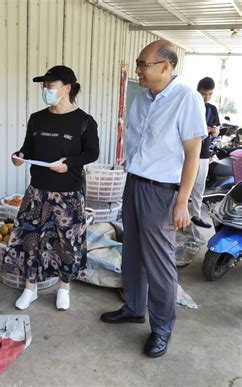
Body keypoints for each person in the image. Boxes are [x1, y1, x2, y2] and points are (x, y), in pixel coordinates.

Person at [100, 40, 206, 358]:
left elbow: (193, 154)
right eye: (138, 64)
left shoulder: (186, 99)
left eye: (143, 65)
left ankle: (162, 328)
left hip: (162, 191)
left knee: (159, 263)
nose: (138, 71)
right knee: (132, 251)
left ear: (165, 67)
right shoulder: (143, 99)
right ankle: (133, 307)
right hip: (134, 183)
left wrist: (182, 201)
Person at [3, 65, 99, 311]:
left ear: (67, 88)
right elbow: (28, 148)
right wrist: (19, 156)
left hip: (68, 192)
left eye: (51, 86)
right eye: (45, 86)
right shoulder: (37, 118)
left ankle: (64, 288)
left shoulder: (84, 122)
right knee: (30, 240)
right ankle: (30, 288)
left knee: (66, 242)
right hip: (37, 191)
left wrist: (70, 165)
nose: (46, 90)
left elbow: (92, 153)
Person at [190, 77, 220, 228]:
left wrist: (213, 130)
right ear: (197, 92)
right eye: (203, 94)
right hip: (186, 153)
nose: (206, 98)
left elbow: (216, 132)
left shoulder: (212, 109)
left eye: (210, 94)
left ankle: (195, 215)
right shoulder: (189, 106)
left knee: (199, 185)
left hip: (203, 153)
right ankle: (172, 214)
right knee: (179, 184)